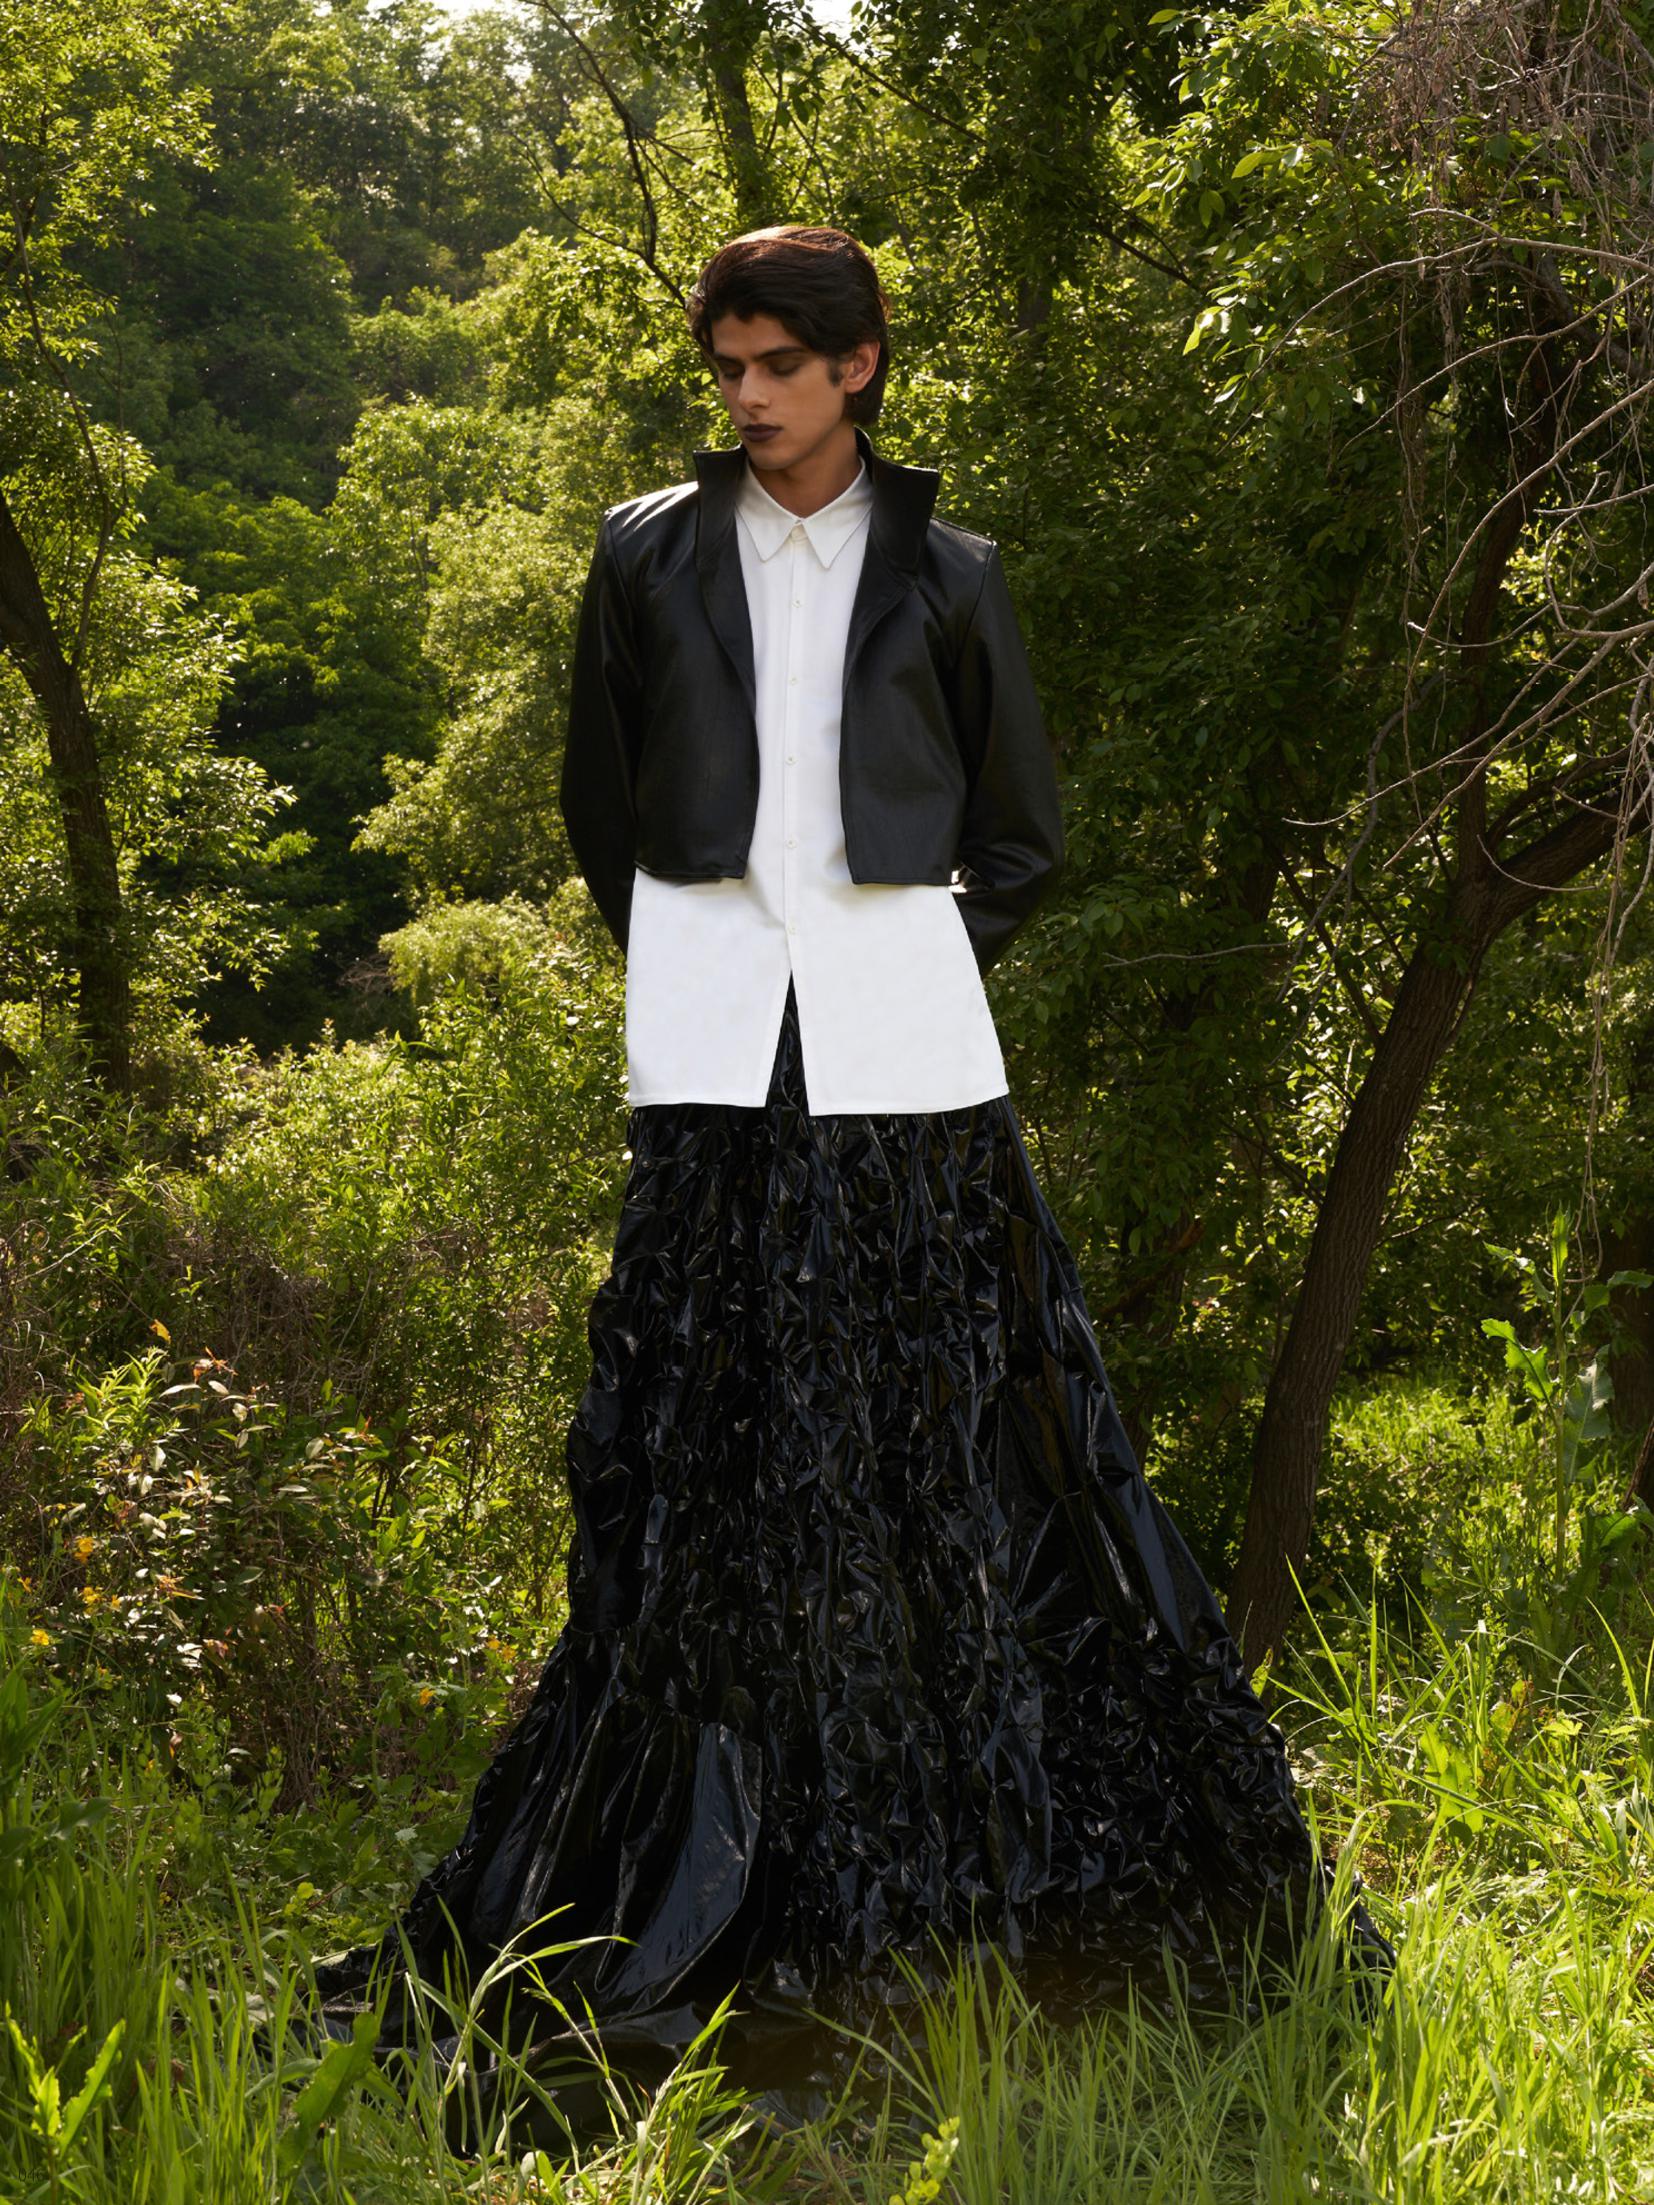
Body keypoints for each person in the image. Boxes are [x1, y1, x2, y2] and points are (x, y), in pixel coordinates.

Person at [307, 223, 1395, 2137]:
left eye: (775, 367)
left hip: (912, 1081)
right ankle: (704, 1876)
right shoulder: (644, 553)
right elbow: (598, 804)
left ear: (858, 366)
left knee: (955, 1455)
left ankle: (976, 1894)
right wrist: (702, 965)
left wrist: (896, 977)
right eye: (723, 368)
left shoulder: (955, 575)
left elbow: (1023, 838)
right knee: (710, 1463)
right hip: (712, 1073)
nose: (743, 398)